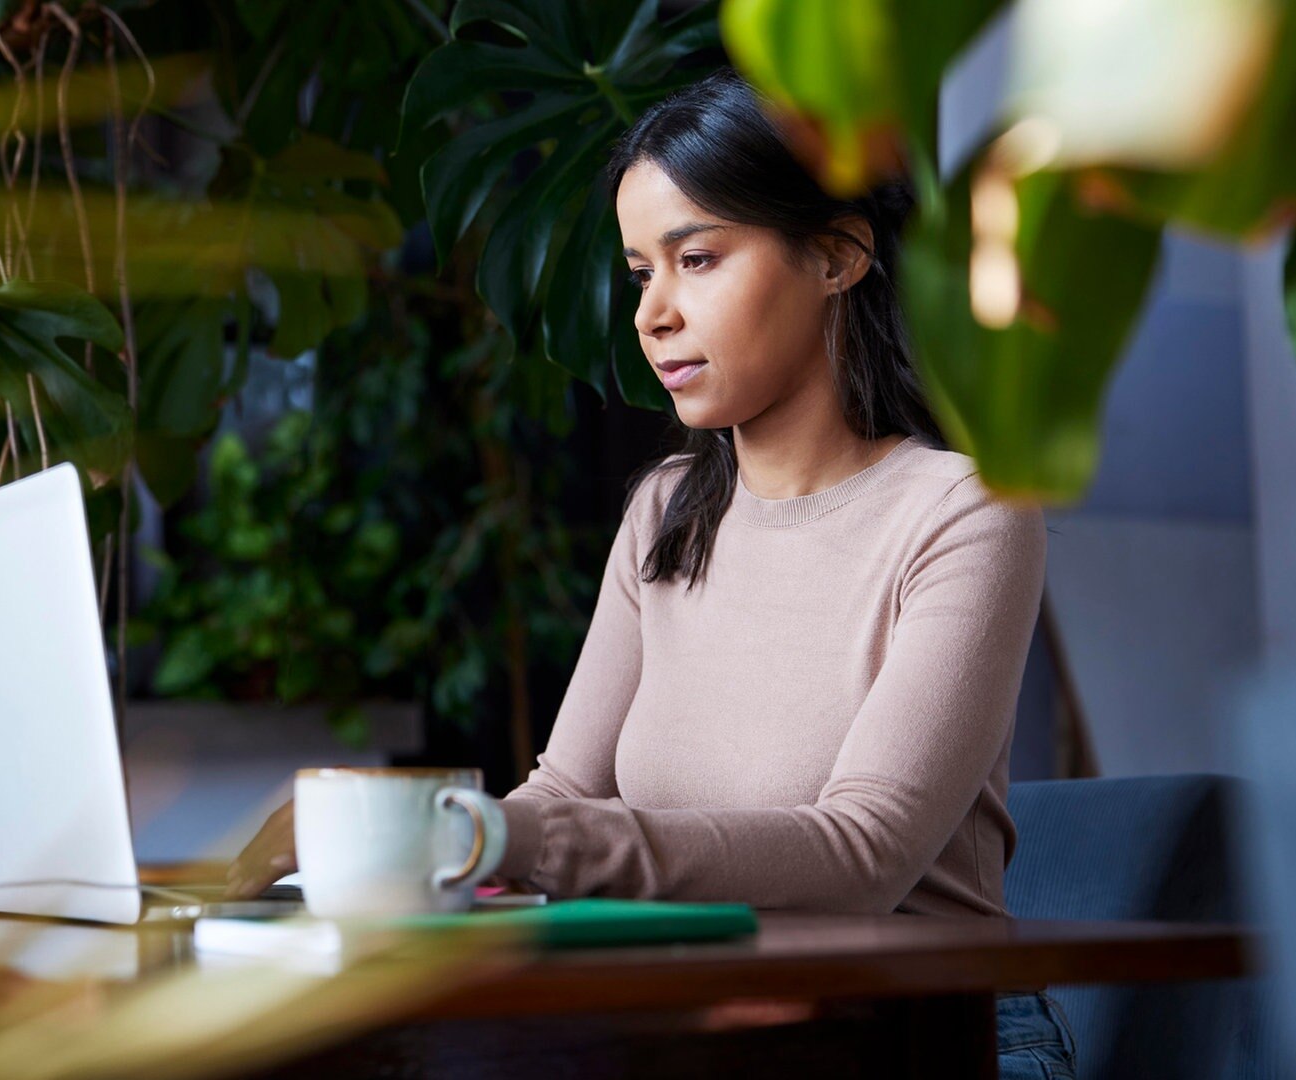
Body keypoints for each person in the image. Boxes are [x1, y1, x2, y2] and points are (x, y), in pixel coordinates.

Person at [226, 68, 1077, 1078]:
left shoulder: (964, 511)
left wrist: (489, 837)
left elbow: (863, 854)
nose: (653, 313)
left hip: (926, 1034)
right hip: (691, 1015)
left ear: (838, 256)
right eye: (640, 273)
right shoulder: (665, 512)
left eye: (698, 258)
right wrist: (399, 853)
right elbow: (566, 790)